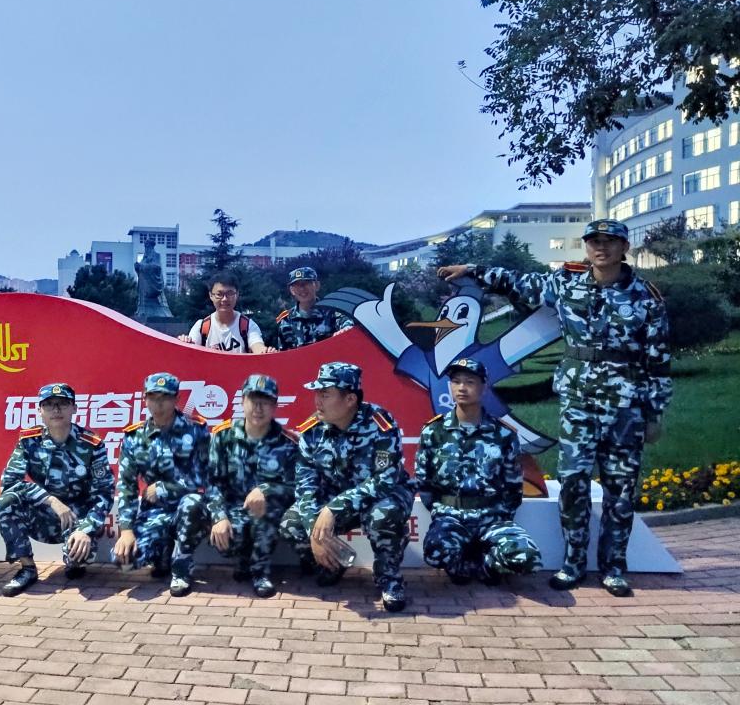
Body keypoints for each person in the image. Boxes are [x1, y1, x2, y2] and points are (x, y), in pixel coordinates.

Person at [437, 218, 672, 597]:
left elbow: (659, 359)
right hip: (579, 403)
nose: (601, 248)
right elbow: (519, 281)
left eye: (610, 241)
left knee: (620, 488)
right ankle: (574, 564)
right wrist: (473, 270)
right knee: (574, 483)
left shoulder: (645, 297)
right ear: (587, 247)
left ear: (624, 248)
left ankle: (613, 567)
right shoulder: (566, 283)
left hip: (626, 405)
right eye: (594, 241)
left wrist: (655, 413)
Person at [279, 362, 415, 612]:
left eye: (325, 394)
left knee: (385, 514)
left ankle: (389, 579)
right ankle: (332, 565)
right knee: (292, 523)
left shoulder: (380, 424)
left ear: (350, 399)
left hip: (379, 496)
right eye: (317, 393)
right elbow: (306, 486)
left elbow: (385, 479)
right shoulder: (312, 431)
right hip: (336, 496)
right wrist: (313, 530)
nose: (317, 401)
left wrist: (333, 509)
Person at [415, 358, 541, 586]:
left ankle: (484, 565)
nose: (462, 388)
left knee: (527, 558)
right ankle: (466, 565)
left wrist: (499, 515)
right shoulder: (434, 432)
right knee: (435, 552)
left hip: (492, 518)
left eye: (470, 382)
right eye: (456, 382)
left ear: (484, 387)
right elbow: (424, 482)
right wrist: (440, 511)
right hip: (451, 517)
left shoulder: (503, 434)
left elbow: (513, 486)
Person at [0, 382, 115, 597]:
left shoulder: (91, 444)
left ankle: (75, 561)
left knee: (81, 556)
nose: (56, 410)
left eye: (63, 404)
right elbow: (9, 482)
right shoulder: (29, 441)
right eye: (49, 404)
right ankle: (27, 569)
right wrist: (50, 500)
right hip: (43, 513)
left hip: (76, 515)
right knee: (6, 503)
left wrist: (86, 529)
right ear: (40, 410)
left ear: (74, 408)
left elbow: (104, 493)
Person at [112, 372, 210, 597]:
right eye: (153, 397)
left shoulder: (196, 429)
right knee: (124, 560)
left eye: (165, 397)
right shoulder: (134, 437)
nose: (159, 403)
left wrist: (164, 488)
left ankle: (182, 567)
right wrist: (126, 531)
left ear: (176, 399)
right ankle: (163, 552)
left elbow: (205, 475)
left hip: (187, 508)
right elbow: (126, 486)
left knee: (193, 503)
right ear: (145, 399)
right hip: (155, 510)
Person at [202, 374, 298, 598]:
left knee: (264, 509)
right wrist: (219, 517)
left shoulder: (288, 443)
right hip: (233, 509)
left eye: (265, 402)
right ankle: (243, 559)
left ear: (275, 406)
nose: (258, 408)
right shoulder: (223, 437)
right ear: (242, 401)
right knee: (220, 531)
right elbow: (212, 483)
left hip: (269, 512)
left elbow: (297, 488)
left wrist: (266, 490)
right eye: (253, 400)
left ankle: (260, 572)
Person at [178, 273, 273, 353]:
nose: (224, 299)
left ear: (237, 294)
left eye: (230, 293)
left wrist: (265, 352)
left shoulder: (248, 326)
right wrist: (185, 342)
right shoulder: (201, 327)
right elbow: (191, 350)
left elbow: (257, 346)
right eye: (219, 294)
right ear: (211, 295)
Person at [275, 266, 353, 349]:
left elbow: (347, 324)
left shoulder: (332, 311)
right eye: (297, 285)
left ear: (317, 285)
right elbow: (283, 352)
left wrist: (345, 330)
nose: (302, 288)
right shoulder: (286, 321)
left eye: (306, 283)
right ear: (292, 290)